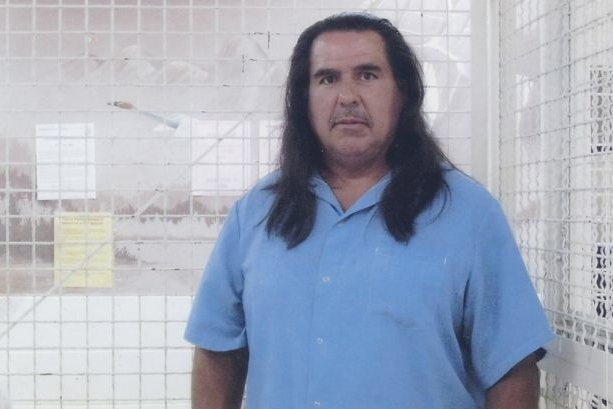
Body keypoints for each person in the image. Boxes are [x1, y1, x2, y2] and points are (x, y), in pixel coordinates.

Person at [184, 12, 553, 409]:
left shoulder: (469, 214)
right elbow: (217, 349)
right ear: (304, 100)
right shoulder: (257, 213)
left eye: (367, 75)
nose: (348, 96)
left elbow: (512, 368)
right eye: (328, 78)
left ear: (403, 93)